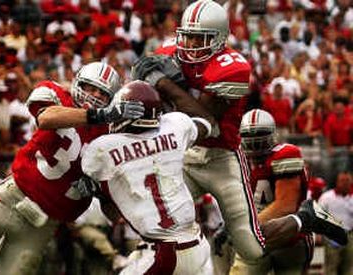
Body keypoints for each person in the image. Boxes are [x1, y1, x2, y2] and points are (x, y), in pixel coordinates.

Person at [131, 0, 348, 264]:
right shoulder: (168, 53)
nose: (189, 45)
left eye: (199, 38)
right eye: (186, 36)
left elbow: (206, 121)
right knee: (158, 217)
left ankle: (305, 218)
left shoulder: (233, 67)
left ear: (220, 39)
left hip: (222, 157)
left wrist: (164, 83)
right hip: (186, 154)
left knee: (251, 248)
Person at [0, 62, 144, 275]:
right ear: (78, 83)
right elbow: (46, 118)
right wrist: (98, 115)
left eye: (103, 93)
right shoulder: (59, 96)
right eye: (91, 88)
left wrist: (98, 189)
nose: (95, 96)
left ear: (112, 98)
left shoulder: (109, 137)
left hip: (43, 223)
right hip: (12, 198)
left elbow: (110, 206)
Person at [79, 80, 214, 274]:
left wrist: (98, 192)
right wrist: (166, 83)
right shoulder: (174, 125)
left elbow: (113, 214)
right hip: (195, 244)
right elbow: (206, 122)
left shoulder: (104, 149)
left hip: (167, 253)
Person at [232, 109, 314, 274]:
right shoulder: (239, 157)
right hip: (256, 239)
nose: (255, 141)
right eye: (249, 135)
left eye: (260, 134)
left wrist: (242, 228)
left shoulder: (285, 154)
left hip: (289, 238)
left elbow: (286, 205)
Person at [319, 171, 353, 275]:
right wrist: (319, 234)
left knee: (348, 267)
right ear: (337, 182)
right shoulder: (327, 197)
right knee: (331, 267)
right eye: (342, 181)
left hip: (349, 236)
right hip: (332, 237)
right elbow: (318, 216)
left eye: (347, 181)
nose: (345, 183)